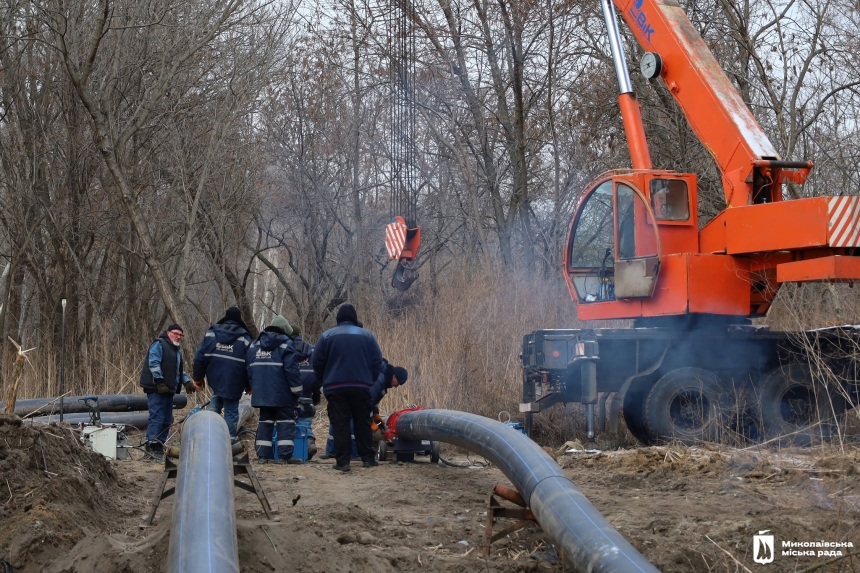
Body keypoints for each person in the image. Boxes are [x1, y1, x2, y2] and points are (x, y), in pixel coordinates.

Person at [311, 304, 383, 472]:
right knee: (362, 422)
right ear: (354, 318)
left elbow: (317, 361)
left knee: (340, 424)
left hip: (335, 387)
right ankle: (368, 459)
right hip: (361, 386)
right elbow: (377, 361)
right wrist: (370, 380)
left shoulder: (327, 336)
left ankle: (343, 462)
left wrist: (324, 381)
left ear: (338, 319)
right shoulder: (367, 336)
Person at [246, 315, 307, 464]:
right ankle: (285, 456)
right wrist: (297, 392)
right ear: (285, 330)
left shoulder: (255, 345)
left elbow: (249, 369)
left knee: (265, 422)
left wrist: (254, 387)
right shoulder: (286, 344)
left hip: (262, 394)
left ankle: (262, 456)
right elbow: (292, 370)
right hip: (282, 393)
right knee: (286, 422)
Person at [320, 360, 407, 460]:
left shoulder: (383, 382)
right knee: (353, 423)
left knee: (338, 420)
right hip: (349, 397)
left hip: (350, 396)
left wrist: (378, 420)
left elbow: (373, 403)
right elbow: (367, 400)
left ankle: (332, 451)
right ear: (394, 377)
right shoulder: (379, 380)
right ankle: (353, 454)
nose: (396, 386)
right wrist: (368, 418)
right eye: (398, 383)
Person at [192, 307, 253, 439]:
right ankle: (228, 440)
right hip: (235, 382)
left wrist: (198, 378)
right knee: (231, 412)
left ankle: (208, 436)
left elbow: (199, 358)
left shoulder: (211, 333)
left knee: (216, 400)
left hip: (215, 379)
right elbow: (251, 365)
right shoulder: (245, 338)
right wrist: (250, 385)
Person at [139, 324, 195, 460]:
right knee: (157, 417)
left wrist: (186, 381)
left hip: (168, 390)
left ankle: (159, 446)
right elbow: (154, 363)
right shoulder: (159, 344)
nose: (178, 337)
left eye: (180, 335)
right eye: (175, 333)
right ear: (168, 332)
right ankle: (151, 447)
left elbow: (178, 370)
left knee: (166, 419)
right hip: (156, 388)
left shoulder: (176, 350)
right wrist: (159, 381)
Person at [290, 324, 318, 459]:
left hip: (290, 390)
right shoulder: (312, 349)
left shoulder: (286, 348)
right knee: (305, 420)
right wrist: (316, 391)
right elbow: (318, 370)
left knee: (289, 421)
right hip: (308, 389)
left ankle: (293, 448)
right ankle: (309, 440)